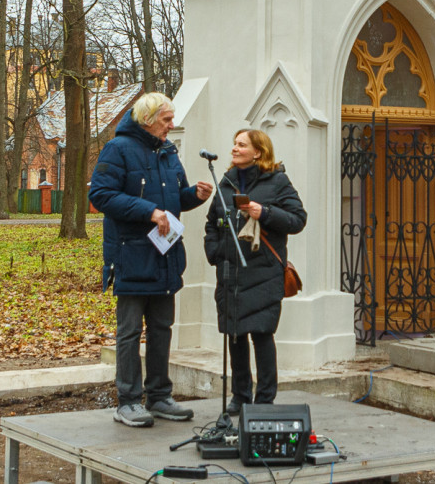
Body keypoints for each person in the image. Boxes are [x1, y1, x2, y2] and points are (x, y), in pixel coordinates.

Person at [89, 92, 213, 428]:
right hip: (131, 256)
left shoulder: (168, 151)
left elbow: (175, 198)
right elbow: (100, 195)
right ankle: (128, 401)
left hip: (165, 256)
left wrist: (194, 195)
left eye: (171, 119)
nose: (171, 126)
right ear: (147, 119)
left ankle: (159, 396)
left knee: (161, 328)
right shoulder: (117, 149)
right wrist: (149, 212)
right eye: (166, 120)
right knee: (129, 332)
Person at [204, 128, 307, 415]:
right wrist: (216, 252)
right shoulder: (226, 181)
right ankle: (240, 397)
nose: (234, 149)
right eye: (234, 144)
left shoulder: (277, 181)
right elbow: (212, 223)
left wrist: (266, 213)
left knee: (261, 335)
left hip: (263, 272)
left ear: (258, 152)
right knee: (235, 336)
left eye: (241, 145)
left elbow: (298, 219)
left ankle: (264, 401)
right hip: (230, 273)